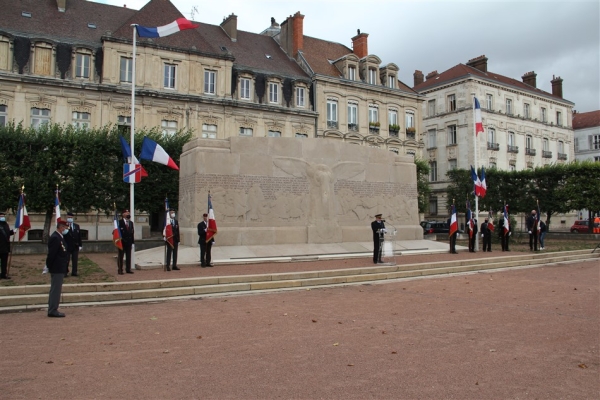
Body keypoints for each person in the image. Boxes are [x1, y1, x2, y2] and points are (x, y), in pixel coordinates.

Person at [47, 219, 70, 317]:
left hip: (60, 266)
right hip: (57, 267)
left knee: (56, 289)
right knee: (56, 289)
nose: (66, 229)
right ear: (61, 228)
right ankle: (52, 309)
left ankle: (53, 308)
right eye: (65, 228)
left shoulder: (59, 237)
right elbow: (52, 254)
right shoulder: (55, 237)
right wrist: (48, 265)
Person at [64, 212, 82, 277]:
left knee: (75, 260)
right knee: (66, 260)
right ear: (66, 217)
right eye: (69, 217)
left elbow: (79, 236)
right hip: (67, 246)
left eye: (71, 218)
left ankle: (74, 272)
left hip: (75, 246)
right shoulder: (64, 226)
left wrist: (80, 245)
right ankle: (65, 272)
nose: (70, 219)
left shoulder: (76, 226)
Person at [118, 209, 134, 274]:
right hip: (122, 242)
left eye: (128, 213)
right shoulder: (119, 222)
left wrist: (132, 242)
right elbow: (117, 232)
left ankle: (128, 269)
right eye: (127, 213)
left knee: (128, 256)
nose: (128, 214)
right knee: (121, 256)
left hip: (129, 242)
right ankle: (120, 269)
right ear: (123, 214)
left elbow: (132, 233)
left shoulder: (131, 223)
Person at [0, 212, 15, 279]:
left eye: (3, 216)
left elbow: (7, 234)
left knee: (4, 262)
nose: (2, 217)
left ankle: (4, 274)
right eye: (1, 216)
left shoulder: (6, 224)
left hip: (5, 248)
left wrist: (13, 231)